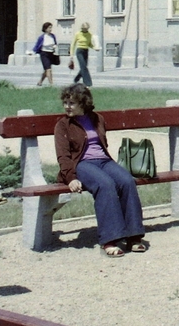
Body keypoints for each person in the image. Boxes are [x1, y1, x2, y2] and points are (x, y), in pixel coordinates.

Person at [55, 84, 146, 257]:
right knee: (105, 184)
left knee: (127, 181)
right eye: (65, 102)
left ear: (84, 103)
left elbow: (102, 144)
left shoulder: (97, 119)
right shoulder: (63, 125)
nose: (67, 106)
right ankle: (110, 239)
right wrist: (71, 178)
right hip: (81, 164)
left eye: (72, 103)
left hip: (104, 161)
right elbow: (63, 156)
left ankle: (133, 236)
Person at [70, 21, 96, 87]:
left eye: (86, 28)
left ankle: (77, 78)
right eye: (84, 28)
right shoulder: (78, 34)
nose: (85, 30)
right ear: (82, 28)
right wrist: (71, 55)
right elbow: (73, 44)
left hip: (86, 51)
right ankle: (88, 83)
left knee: (84, 67)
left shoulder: (90, 34)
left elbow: (89, 44)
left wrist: (95, 48)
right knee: (83, 66)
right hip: (79, 51)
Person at [33, 21, 58, 86]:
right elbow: (37, 45)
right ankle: (51, 84)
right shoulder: (42, 37)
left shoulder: (52, 36)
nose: (50, 29)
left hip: (51, 53)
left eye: (51, 27)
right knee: (48, 69)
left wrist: (55, 47)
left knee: (47, 70)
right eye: (49, 28)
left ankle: (40, 82)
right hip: (44, 54)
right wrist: (33, 51)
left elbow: (55, 43)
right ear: (45, 28)